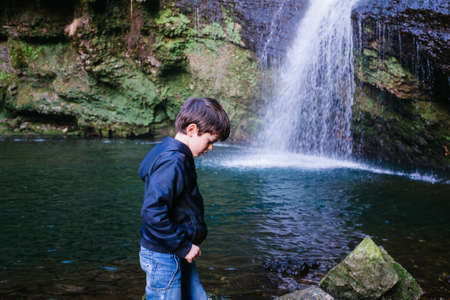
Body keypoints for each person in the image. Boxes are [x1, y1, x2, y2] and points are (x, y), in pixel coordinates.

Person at [138, 97, 230, 300]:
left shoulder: (171, 153)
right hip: (165, 253)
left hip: (176, 248)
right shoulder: (173, 162)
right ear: (192, 130)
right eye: (210, 141)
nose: (210, 148)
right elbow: (152, 212)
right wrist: (183, 246)